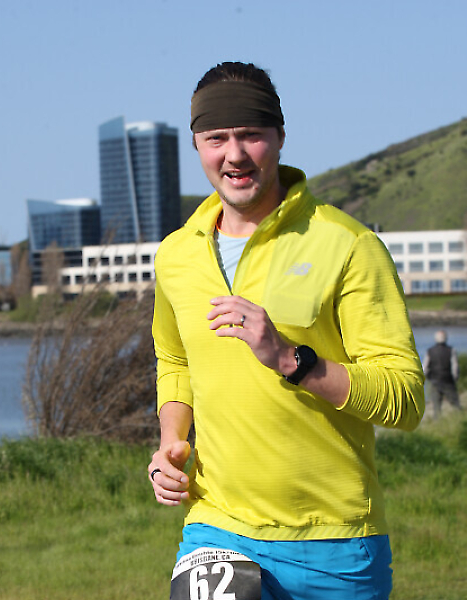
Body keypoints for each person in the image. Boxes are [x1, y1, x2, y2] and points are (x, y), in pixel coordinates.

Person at [148, 62, 425, 600]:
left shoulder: (347, 244)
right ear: (197, 144)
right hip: (218, 526)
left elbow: (405, 399)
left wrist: (291, 360)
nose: (234, 154)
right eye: (216, 138)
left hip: (337, 541)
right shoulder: (176, 255)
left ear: (279, 136)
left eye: (250, 135)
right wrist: (171, 443)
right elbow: (176, 360)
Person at [423, 330, 462, 418]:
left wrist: (429, 378)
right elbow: (455, 367)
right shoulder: (451, 350)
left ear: (435, 339)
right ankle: (461, 419)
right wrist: (455, 378)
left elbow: (425, 368)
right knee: (455, 404)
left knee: (436, 408)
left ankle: (437, 423)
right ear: (446, 338)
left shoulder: (430, 351)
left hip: (435, 381)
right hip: (448, 381)